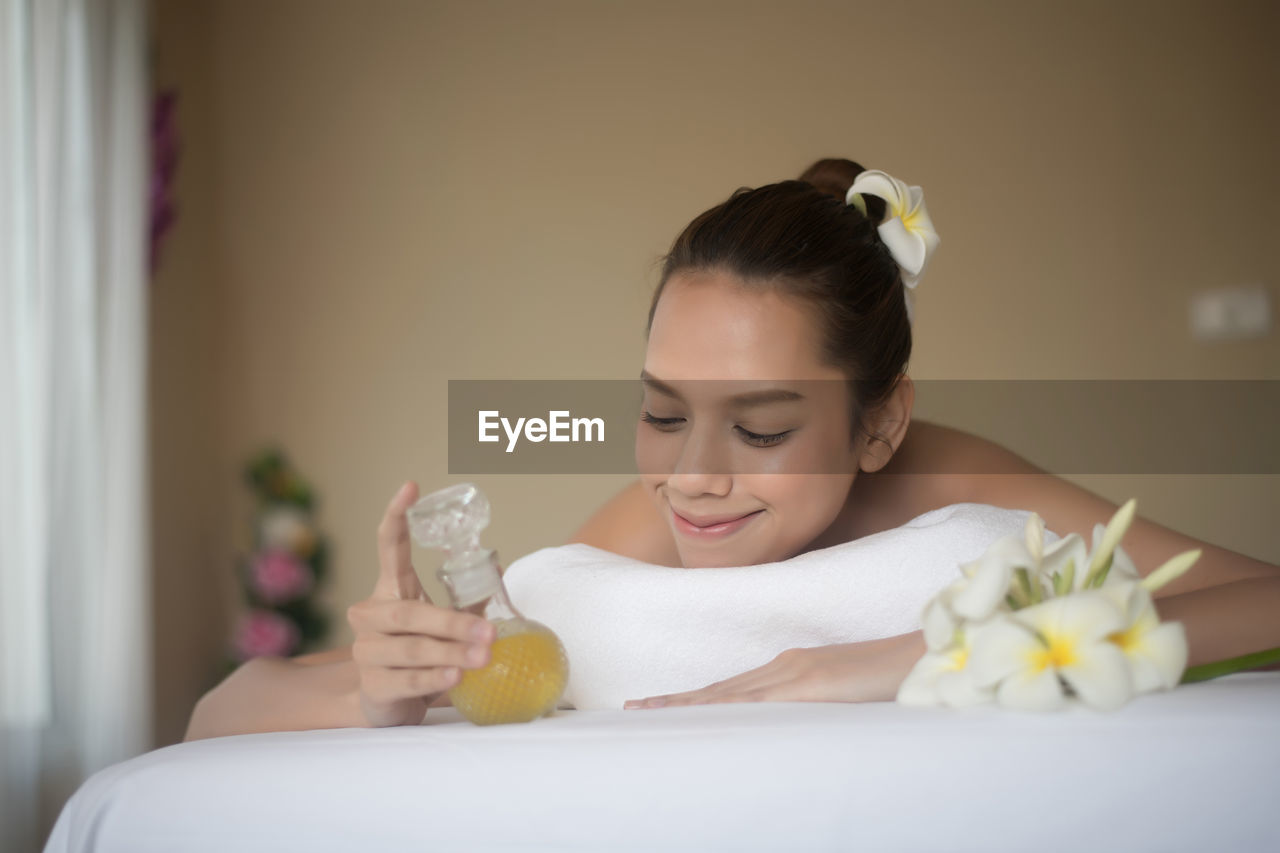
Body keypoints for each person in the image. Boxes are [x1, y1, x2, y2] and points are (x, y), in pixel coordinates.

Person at [183, 158, 1280, 740]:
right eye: (662, 412)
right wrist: (381, 690)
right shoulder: (640, 530)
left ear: (880, 421)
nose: (691, 475)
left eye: (760, 427)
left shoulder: (955, 487)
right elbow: (222, 710)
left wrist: (916, 656)